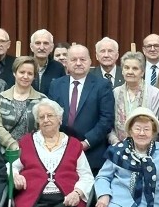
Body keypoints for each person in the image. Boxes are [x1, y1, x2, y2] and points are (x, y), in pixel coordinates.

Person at [47, 44, 115, 172]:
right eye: (73, 60)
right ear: (66, 62)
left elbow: (106, 119)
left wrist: (86, 143)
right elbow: (51, 116)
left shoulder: (103, 85)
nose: (78, 63)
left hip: (92, 153)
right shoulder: (56, 85)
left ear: (90, 62)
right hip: (60, 151)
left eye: (83, 59)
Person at [0, 56, 46, 152]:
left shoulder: (42, 100)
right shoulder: (0, 99)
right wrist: (13, 145)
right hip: (5, 153)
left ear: (34, 77)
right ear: (14, 73)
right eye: (22, 72)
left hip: (35, 152)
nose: (25, 76)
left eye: (30, 73)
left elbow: (46, 127)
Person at [109, 51, 159, 144]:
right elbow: (110, 125)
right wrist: (117, 143)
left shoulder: (154, 93)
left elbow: (155, 125)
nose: (130, 72)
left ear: (142, 72)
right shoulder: (115, 92)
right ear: (122, 70)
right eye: (126, 68)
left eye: (135, 68)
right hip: (118, 147)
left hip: (146, 147)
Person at [29, 29, 65, 94]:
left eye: (46, 43)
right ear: (31, 47)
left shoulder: (58, 68)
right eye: (38, 43)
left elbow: (62, 93)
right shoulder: (23, 66)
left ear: (51, 47)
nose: (42, 47)